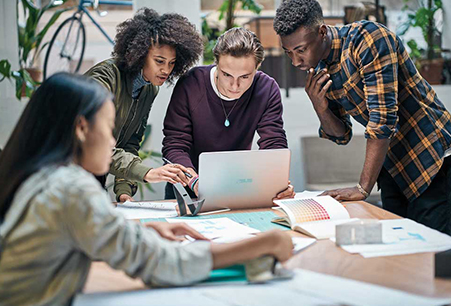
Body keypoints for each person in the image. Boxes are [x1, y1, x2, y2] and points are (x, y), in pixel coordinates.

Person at [0, 73, 293, 306]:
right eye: (109, 127)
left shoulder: (41, 177)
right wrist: (262, 244)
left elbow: (82, 235)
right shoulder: (71, 188)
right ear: (81, 128)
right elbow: (162, 265)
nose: (113, 143)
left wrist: (144, 232)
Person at [274, 0, 451, 237]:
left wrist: (363, 188)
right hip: (393, 167)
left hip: (433, 158)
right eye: (288, 52)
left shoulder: (367, 39)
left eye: (301, 50)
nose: (295, 61)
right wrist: (319, 106)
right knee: (399, 250)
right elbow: (341, 135)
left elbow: (383, 121)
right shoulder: (319, 68)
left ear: (322, 32)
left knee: (435, 254)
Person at [84, 8, 203, 202]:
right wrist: (147, 173)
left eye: (172, 63)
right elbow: (92, 141)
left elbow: (129, 143)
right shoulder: (104, 78)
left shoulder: (149, 89)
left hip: (96, 174)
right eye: (159, 61)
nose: (166, 70)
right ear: (139, 54)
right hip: (67, 173)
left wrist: (124, 193)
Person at [162, 27, 295, 200]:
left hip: (239, 188)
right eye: (226, 75)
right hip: (187, 188)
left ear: (257, 67)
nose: (234, 86)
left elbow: (274, 143)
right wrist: (195, 182)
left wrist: (277, 181)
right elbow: (174, 145)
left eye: (245, 77)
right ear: (216, 62)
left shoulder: (266, 89)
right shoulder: (191, 84)